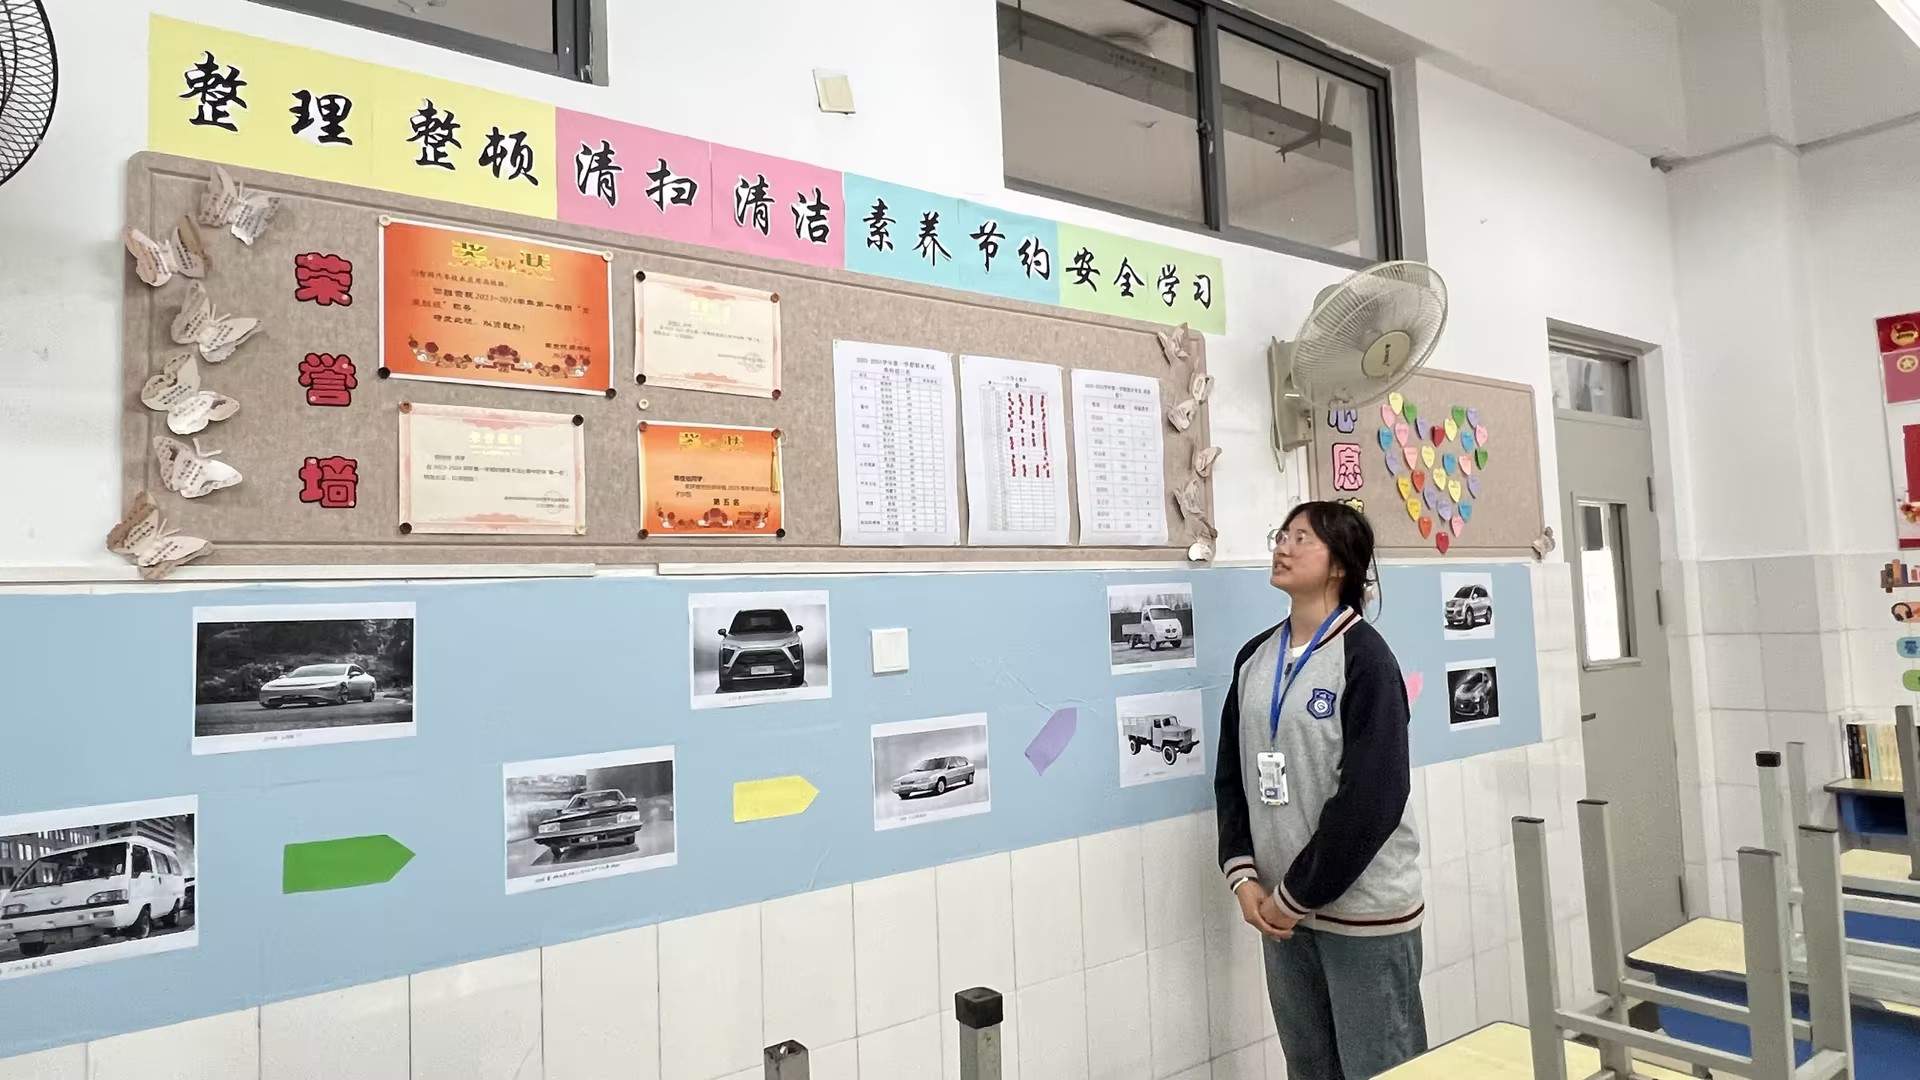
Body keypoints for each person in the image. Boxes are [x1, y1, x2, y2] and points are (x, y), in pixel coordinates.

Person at [1215, 500, 1426, 1079]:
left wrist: (1293, 895)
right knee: (1308, 1068)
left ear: (1339, 564)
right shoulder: (1253, 658)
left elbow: (1373, 801)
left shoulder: (1367, 660)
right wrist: (1244, 878)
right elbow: (1231, 777)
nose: (1283, 546)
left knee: (1383, 1069)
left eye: (1301, 537)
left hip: (1362, 915)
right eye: (1281, 534)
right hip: (1281, 915)